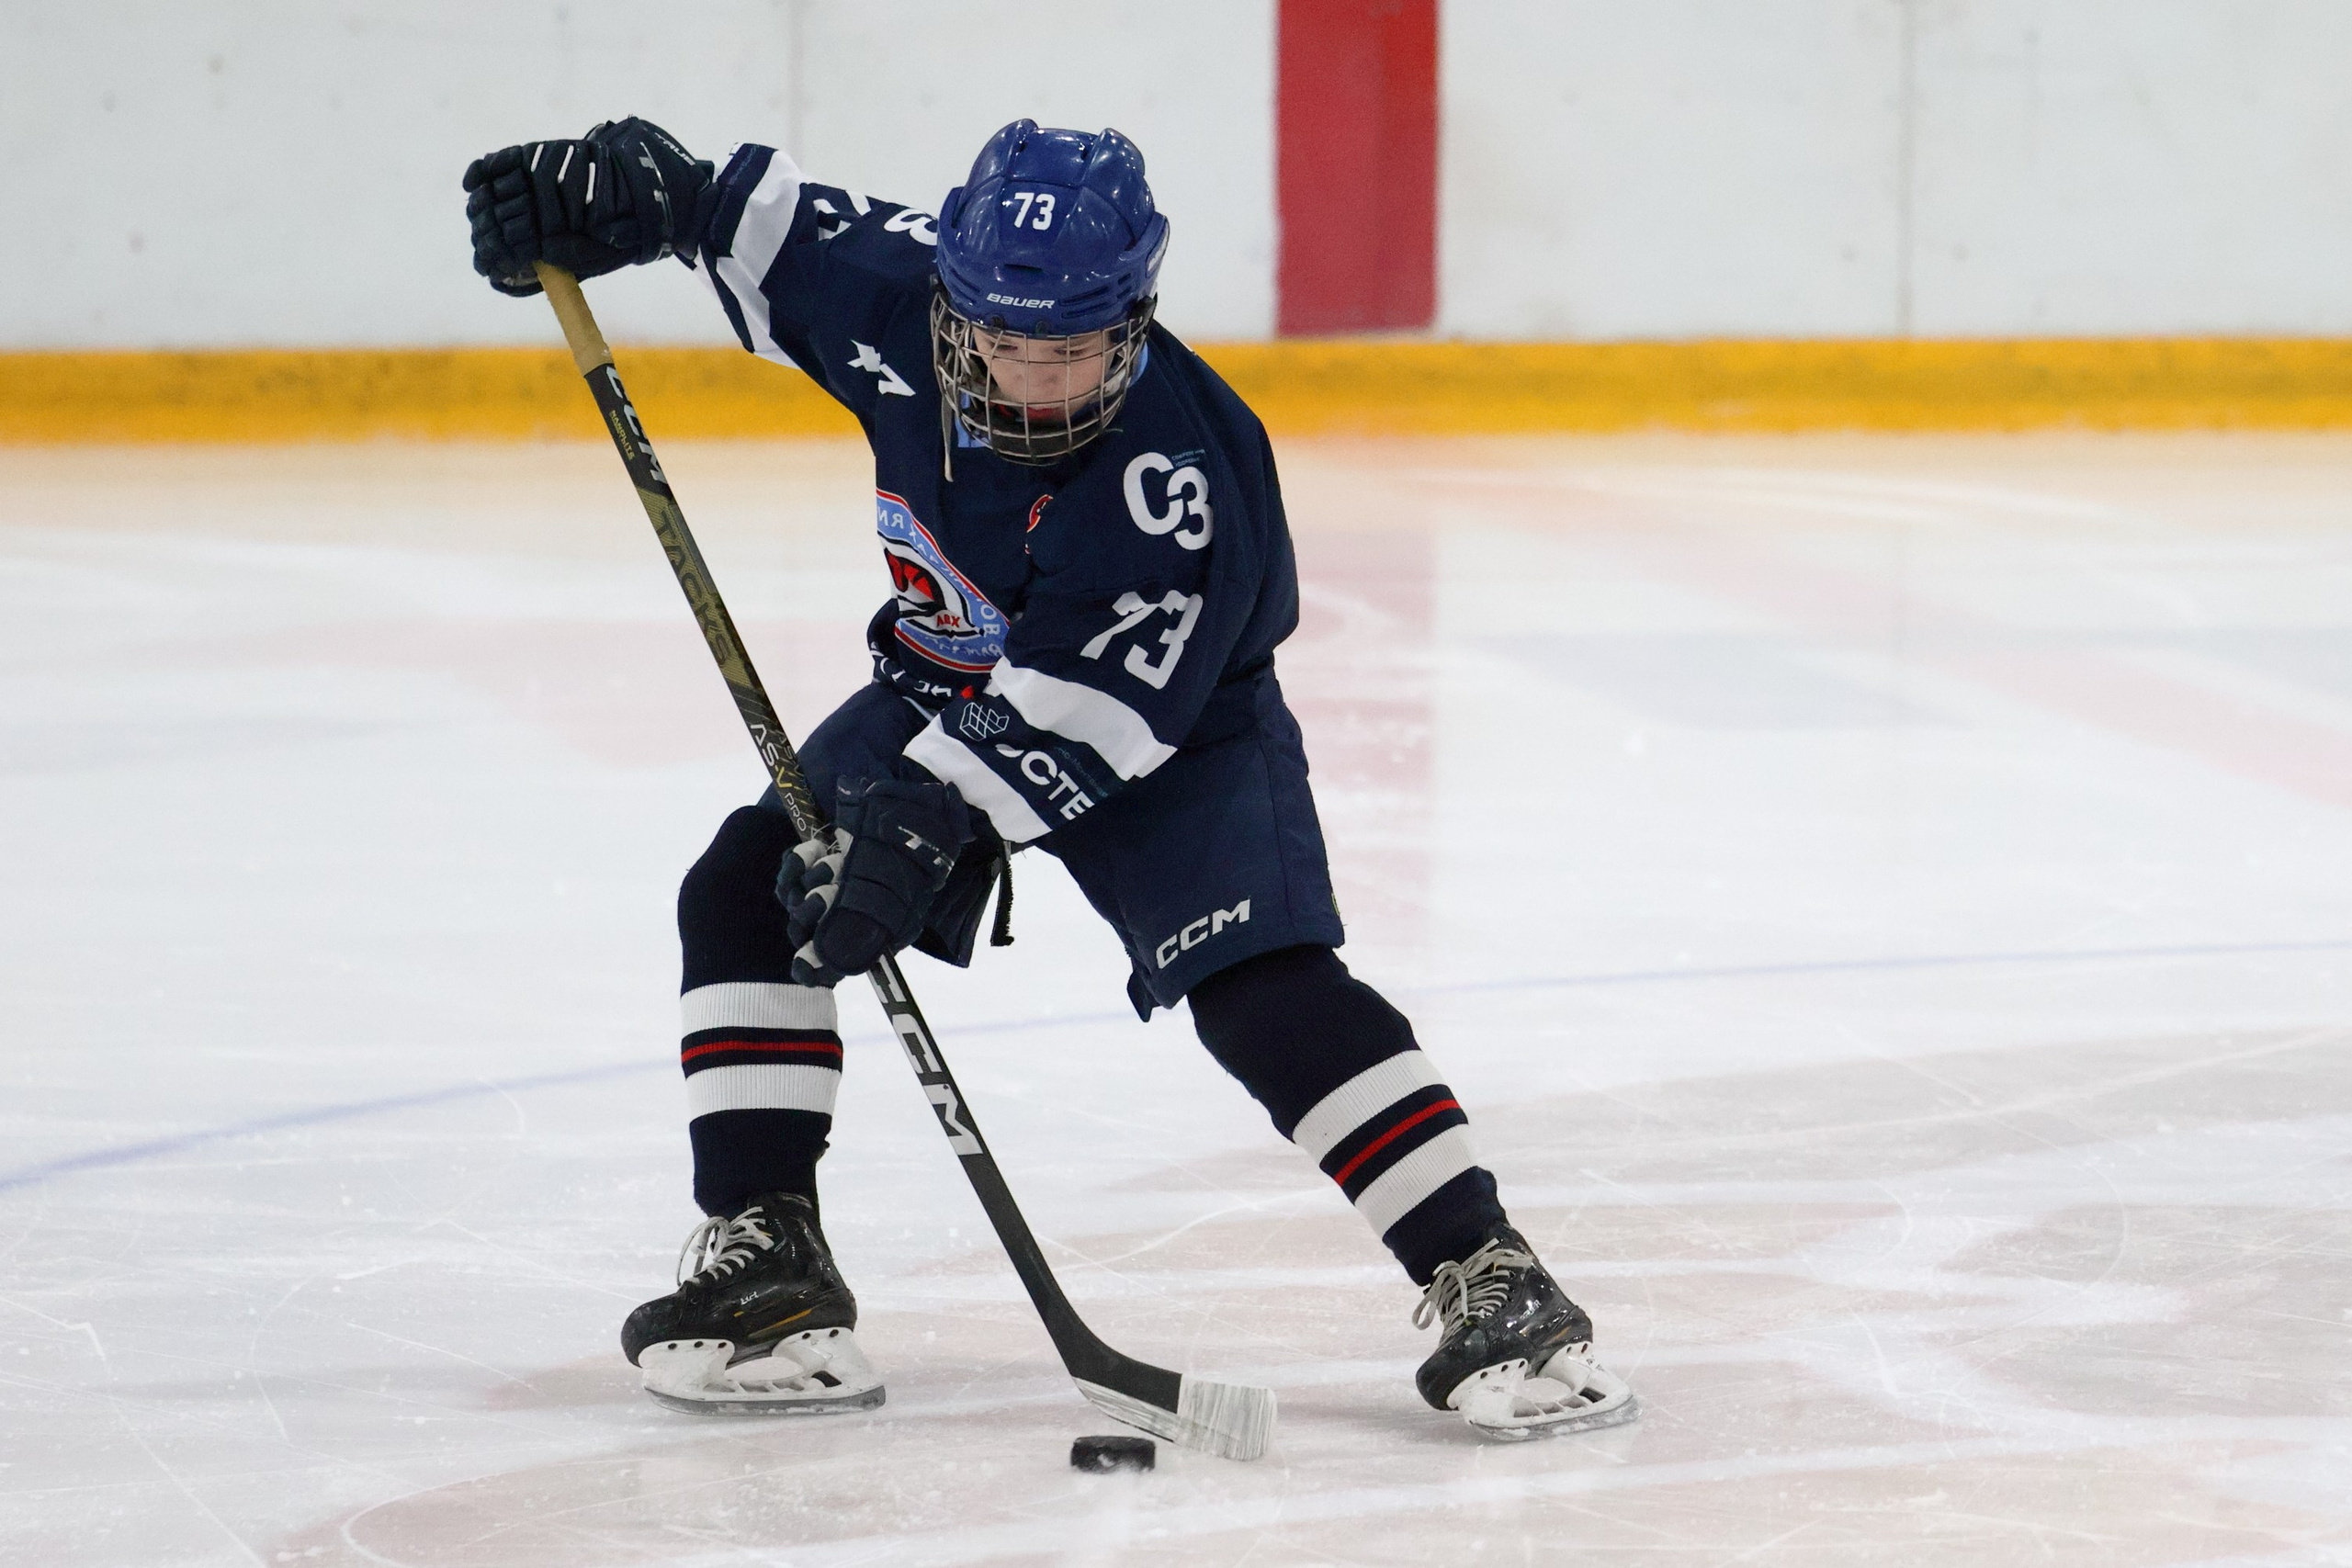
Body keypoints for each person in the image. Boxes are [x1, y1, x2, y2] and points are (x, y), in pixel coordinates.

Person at [462, 117, 1635, 1440]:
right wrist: (613, 193)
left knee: (1263, 993)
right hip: (946, 676)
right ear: (958, 304)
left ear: (1134, 317)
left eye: (1076, 345)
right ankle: (769, 1261)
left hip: (1177, 727)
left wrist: (929, 832)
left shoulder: (1181, 479)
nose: (1037, 376)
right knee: (745, 890)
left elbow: (1096, 717)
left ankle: (1490, 1275)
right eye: (1008, 342)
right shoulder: (902, 291)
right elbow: (735, 211)